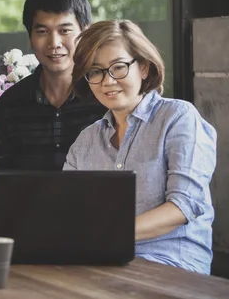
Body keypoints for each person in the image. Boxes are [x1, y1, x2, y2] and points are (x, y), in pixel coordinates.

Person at [64, 20, 216, 274]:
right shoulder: (85, 141)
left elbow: (183, 206)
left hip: (173, 264)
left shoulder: (178, 118)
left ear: (143, 68)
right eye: (96, 71)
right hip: (102, 264)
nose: (108, 81)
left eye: (118, 67)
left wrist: (107, 234)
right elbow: (66, 210)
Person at [0, 0, 106, 171]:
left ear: (85, 33)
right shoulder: (11, 103)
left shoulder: (103, 95)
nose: (54, 43)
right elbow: (3, 180)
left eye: (65, 31)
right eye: (42, 31)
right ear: (30, 38)